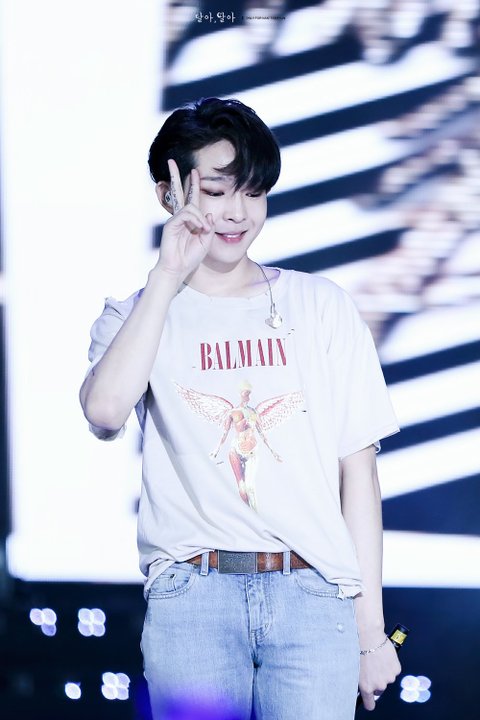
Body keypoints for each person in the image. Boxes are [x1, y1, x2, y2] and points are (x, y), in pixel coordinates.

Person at [80, 97, 401, 719]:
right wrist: (168, 277)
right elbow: (105, 412)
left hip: (314, 598)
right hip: (192, 598)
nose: (237, 213)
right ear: (168, 194)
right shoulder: (136, 315)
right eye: (216, 191)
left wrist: (371, 633)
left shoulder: (321, 306)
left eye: (253, 193)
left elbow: (358, 476)